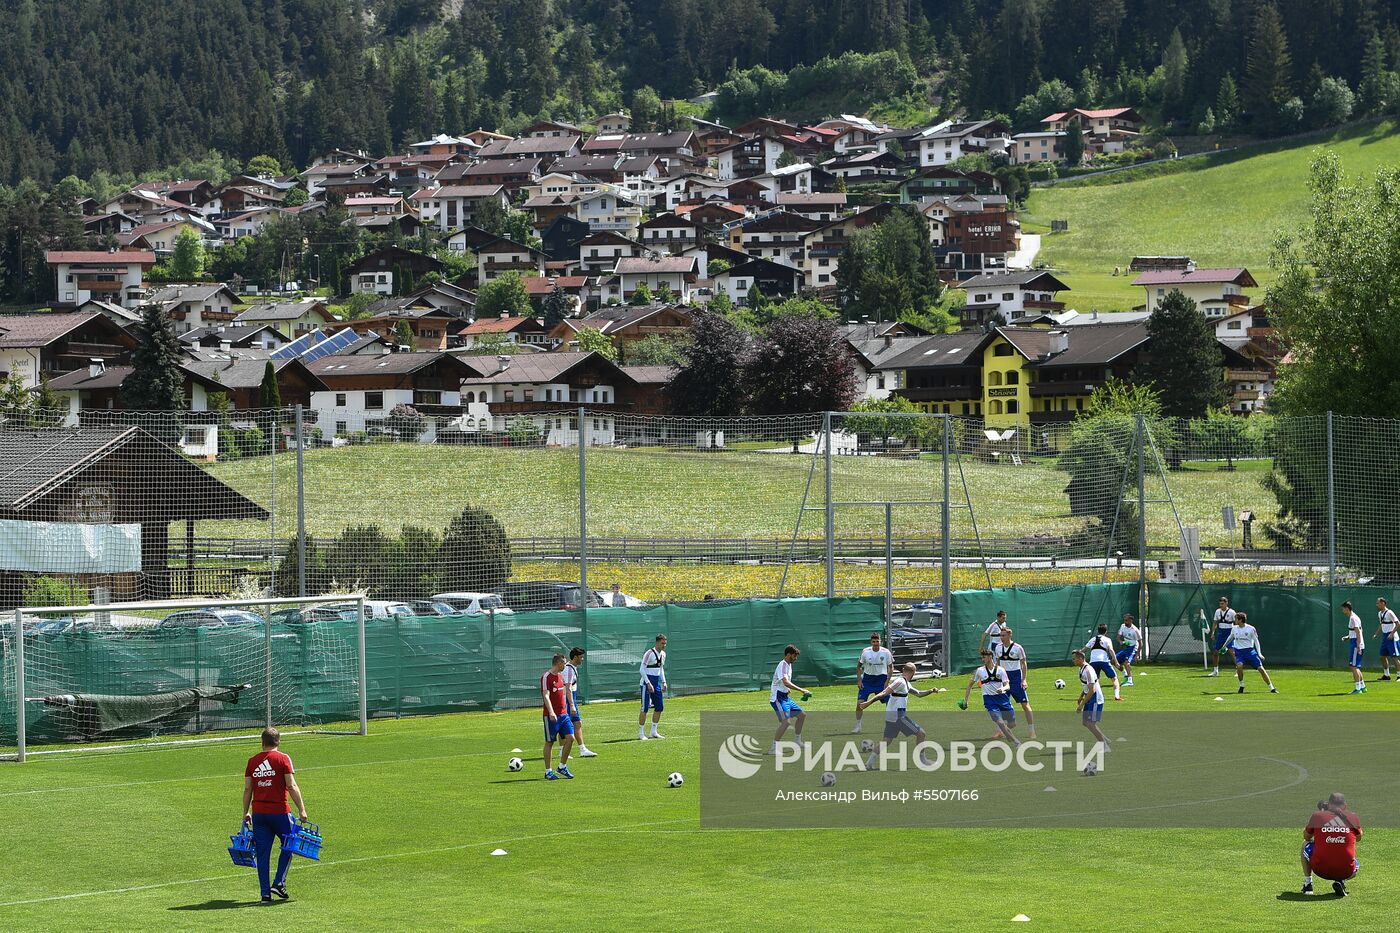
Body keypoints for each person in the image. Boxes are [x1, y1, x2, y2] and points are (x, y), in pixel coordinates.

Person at [242, 727, 309, 903]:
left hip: (259, 814)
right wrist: (302, 809)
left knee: (263, 854)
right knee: (290, 844)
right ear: (278, 741)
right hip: (280, 813)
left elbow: (248, 788)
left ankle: (265, 894)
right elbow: (291, 785)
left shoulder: (252, 762)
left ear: (262, 742)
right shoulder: (283, 758)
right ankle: (279, 883)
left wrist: (245, 812)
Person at [858, 662, 938, 769]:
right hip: (898, 716)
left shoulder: (906, 683)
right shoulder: (899, 681)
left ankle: (868, 764)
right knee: (921, 734)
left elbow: (918, 694)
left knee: (887, 740)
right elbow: (884, 693)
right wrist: (868, 703)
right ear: (913, 672)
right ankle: (923, 761)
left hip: (892, 716)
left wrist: (931, 691)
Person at [1302, 793, 1362, 896]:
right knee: (1354, 861)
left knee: (1305, 843)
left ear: (1329, 804)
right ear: (1345, 805)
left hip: (1320, 869)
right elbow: (1359, 838)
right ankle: (1340, 880)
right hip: (1347, 871)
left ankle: (1308, 885)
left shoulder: (1317, 816)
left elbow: (1306, 837)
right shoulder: (1352, 817)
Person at [960, 649, 1020, 747]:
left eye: (984, 657)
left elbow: (1007, 685)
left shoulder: (1001, 670)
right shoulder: (980, 671)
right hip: (989, 701)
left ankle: (1006, 733)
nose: (982, 659)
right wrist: (966, 700)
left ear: (990, 657)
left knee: (1012, 723)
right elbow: (970, 685)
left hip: (1002, 699)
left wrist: (1002, 688)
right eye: (982, 657)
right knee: (1000, 722)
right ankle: (1016, 742)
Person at [769, 644, 812, 754]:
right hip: (777, 698)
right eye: (794, 656)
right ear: (788, 654)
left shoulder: (789, 665)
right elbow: (785, 682)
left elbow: (783, 682)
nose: (795, 658)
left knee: (802, 715)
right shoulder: (782, 665)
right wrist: (801, 690)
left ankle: (797, 741)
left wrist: (787, 690)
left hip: (785, 697)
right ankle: (773, 748)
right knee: (786, 722)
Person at [996, 628, 1036, 739]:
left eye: (1003, 635)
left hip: (1016, 679)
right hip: (1004, 680)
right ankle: (1000, 731)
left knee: (1025, 705)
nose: (1001, 637)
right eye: (1000, 635)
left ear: (1009, 635)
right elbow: (998, 663)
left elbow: (1024, 664)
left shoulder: (1018, 648)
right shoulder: (998, 648)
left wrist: (1024, 680)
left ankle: (1032, 731)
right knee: (1000, 706)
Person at [541, 654, 575, 780]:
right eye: (564, 663)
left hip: (563, 715)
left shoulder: (560, 676)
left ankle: (562, 767)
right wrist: (551, 712)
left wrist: (570, 706)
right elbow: (546, 696)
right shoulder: (546, 677)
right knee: (550, 742)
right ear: (558, 663)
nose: (565, 665)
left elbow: (564, 693)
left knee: (570, 738)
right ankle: (548, 771)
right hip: (551, 716)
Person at [852, 631, 894, 734]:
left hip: (881, 680)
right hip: (867, 680)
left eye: (877, 641)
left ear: (880, 641)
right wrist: (859, 680)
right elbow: (858, 667)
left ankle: (890, 725)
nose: (875, 643)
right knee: (859, 703)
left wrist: (887, 681)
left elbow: (891, 667)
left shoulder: (886, 652)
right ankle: (858, 725)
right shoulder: (865, 652)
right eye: (874, 641)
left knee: (889, 703)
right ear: (871, 642)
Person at [1228, 611, 1277, 694]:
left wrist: (1259, 653)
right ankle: (1242, 686)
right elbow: (1230, 638)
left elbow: (1256, 641)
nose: (1234, 620)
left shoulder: (1251, 629)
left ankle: (1272, 688)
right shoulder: (1234, 628)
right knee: (1239, 666)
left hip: (1250, 651)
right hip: (1239, 652)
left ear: (1240, 620)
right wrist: (1223, 646)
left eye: (1236, 619)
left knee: (1261, 669)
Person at [1072, 649, 1109, 755]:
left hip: (1095, 698)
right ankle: (1105, 739)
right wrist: (1081, 696)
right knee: (1086, 722)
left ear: (1080, 658)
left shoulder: (1088, 670)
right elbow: (1087, 686)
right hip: (1089, 697)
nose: (1073, 661)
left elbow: (1092, 690)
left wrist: (1081, 705)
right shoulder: (1081, 668)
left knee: (1090, 723)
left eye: (1074, 659)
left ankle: (1104, 745)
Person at [563, 647, 596, 758]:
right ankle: (562, 750)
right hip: (568, 700)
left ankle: (583, 749)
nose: (582, 659)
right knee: (565, 725)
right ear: (575, 657)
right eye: (581, 657)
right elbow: (568, 688)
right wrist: (572, 705)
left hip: (572, 698)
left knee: (577, 723)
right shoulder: (569, 669)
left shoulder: (573, 668)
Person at [639, 634, 668, 739]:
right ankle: (641, 733)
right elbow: (641, 669)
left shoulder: (663, 654)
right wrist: (648, 683)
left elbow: (660, 669)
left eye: (665, 643)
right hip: (646, 683)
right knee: (645, 708)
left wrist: (664, 682)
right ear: (657, 642)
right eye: (662, 643)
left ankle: (653, 731)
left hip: (656, 683)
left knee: (659, 707)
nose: (664, 645)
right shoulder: (649, 653)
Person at [1085, 624, 1123, 701]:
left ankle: (1094, 696)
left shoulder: (1092, 639)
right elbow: (1111, 650)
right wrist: (1116, 662)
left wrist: (1077, 652)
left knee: (1095, 680)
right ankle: (1117, 696)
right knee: (1114, 678)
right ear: (1106, 631)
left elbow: (1084, 649)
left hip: (1093, 662)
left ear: (1097, 631)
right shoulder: (1107, 639)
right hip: (1104, 661)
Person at [1340, 601, 1366, 695]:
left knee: (1353, 666)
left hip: (1356, 644)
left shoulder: (1353, 618)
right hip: (1356, 643)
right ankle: (1363, 687)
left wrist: (1358, 645)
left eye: (1343, 609)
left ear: (1347, 608)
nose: (1342, 611)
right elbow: (1357, 631)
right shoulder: (1355, 617)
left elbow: (1358, 632)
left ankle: (1358, 689)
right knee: (1356, 666)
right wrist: (1348, 637)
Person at [1208, 596, 1237, 677]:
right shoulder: (1217, 611)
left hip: (1230, 633)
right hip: (1221, 633)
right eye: (1220, 604)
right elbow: (1215, 623)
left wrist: (1236, 633)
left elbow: (1236, 623)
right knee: (1215, 652)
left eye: (1222, 603)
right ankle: (1215, 671)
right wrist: (1212, 633)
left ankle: (1238, 670)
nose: (1221, 605)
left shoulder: (1232, 612)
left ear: (1226, 603)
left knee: (1232, 652)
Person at [1372, 597, 1399, 682]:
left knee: (1394, 657)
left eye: (1378, 603)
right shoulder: (1379, 613)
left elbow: (1398, 623)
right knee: (1382, 656)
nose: (1376, 605)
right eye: (1376, 603)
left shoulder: (1390, 612)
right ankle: (1386, 675)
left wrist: (1392, 633)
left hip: (1392, 637)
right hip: (1385, 636)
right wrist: (1376, 634)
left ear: (1383, 603)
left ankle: (1399, 676)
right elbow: (1382, 625)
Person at [1117, 614, 1141, 687]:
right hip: (1126, 647)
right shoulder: (1122, 626)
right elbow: (1118, 637)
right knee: (1114, 660)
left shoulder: (1135, 630)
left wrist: (1137, 654)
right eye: (1124, 620)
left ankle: (1130, 681)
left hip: (1133, 647)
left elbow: (1141, 643)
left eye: (1126, 620)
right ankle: (1126, 675)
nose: (1125, 622)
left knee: (1126, 663)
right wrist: (1120, 641)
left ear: (1130, 621)